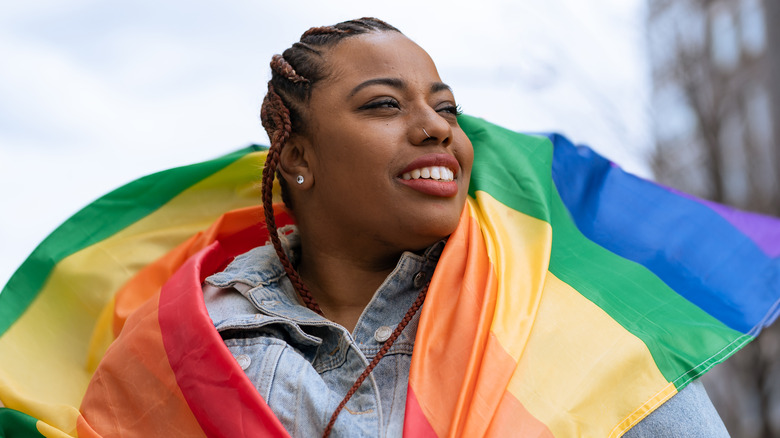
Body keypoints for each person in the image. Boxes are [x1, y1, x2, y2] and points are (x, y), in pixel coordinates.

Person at [200, 17, 729, 437]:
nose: (436, 127)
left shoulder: (569, 321)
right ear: (299, 157)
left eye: (447, 107)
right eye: (384, 104)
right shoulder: (201, 335)